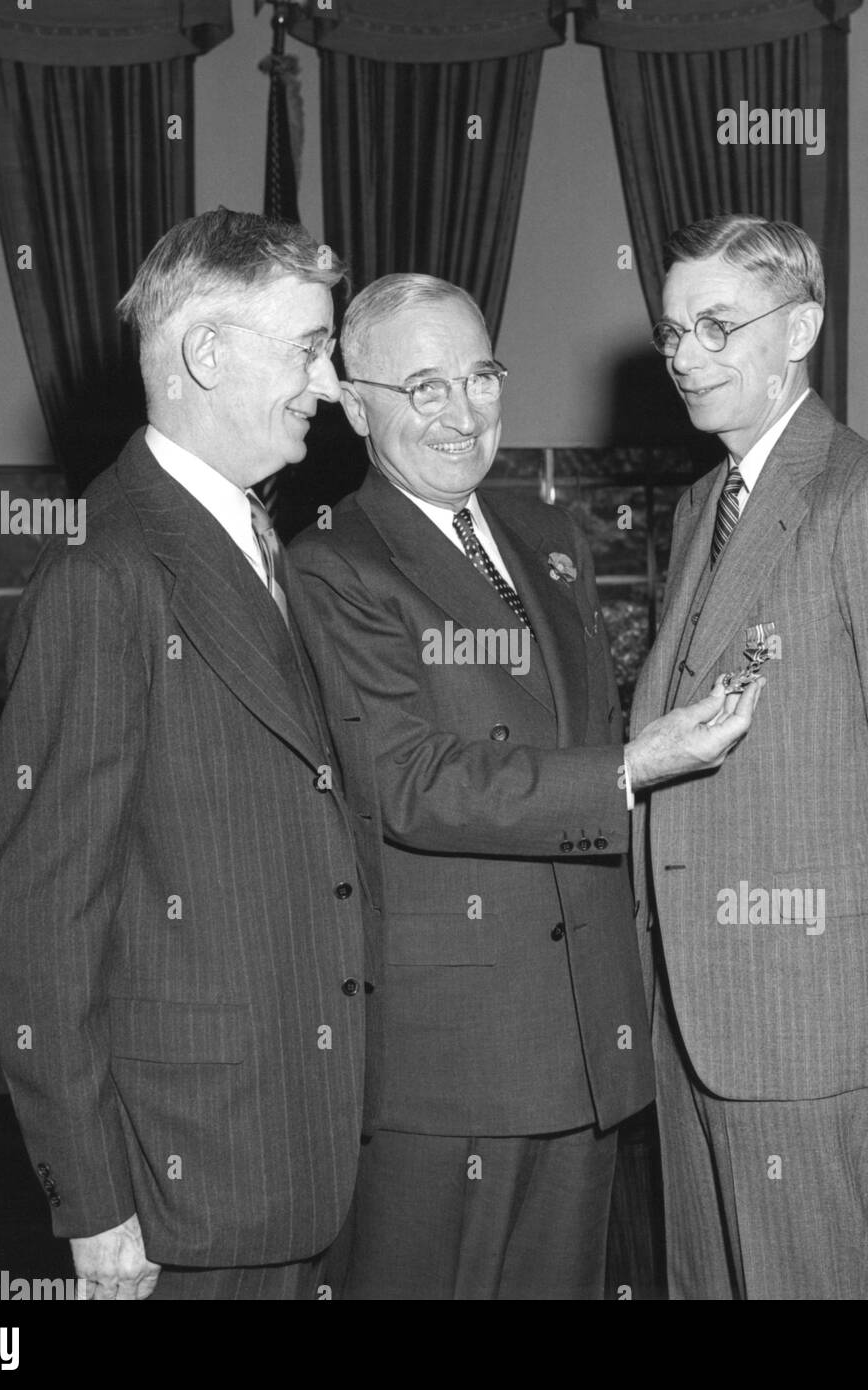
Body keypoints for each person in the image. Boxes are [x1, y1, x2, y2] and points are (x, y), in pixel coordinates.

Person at [291, 272, 761, 1299]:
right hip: (450, 1056)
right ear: (355, 406)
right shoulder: (331, 565)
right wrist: (635, 767)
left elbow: (578, 738)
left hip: (586, 1038)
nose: (462, 413)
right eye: (424, 386)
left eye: (481, 376)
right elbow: (410, 781)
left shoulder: (549, 540)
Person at [0, 209, 382, 1300]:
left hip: (295, 1150)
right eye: (308, 347)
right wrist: (94, 1203)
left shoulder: (252, 539)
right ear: (206, 353)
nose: (329, 382)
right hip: (181, 1192)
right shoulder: (104, 575)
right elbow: (37, 922)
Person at [632, 214, 868, 1299]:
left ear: (799, 330)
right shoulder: (702, 505)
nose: (684, 355)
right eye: (672, 331)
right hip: (690, 1010)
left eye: (716, 325)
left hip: (816, 1015)